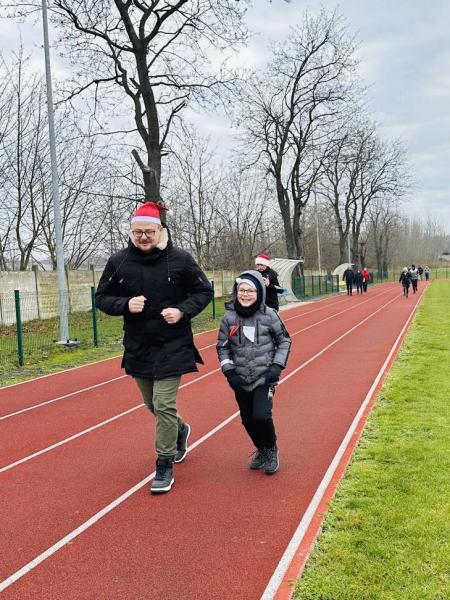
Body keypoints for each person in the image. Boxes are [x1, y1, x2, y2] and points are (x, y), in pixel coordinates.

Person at [95, 201, 213, 494]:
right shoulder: (118, 261)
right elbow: (101, 297)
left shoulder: (181, 260)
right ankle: (180, 430)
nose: (143, 237)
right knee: (151, 404)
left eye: (149, 231)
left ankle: (164, 464)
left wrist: (182, 311)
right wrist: (125, 304)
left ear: (161, 230)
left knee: (163, 404)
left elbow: (204, 291)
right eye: (138, 233)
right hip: (138, 344)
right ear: (131, 233)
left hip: (173, 343)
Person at [217, 270, 291, 475]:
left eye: (250, 290)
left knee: (261, 416)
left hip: (264, 376)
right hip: (240, 377)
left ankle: (271, 448)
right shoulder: (228, 318)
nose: (246, 294)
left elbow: (284, 340)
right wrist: (229, 372)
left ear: (259, 292)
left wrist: (276, 367)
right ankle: (261, 449)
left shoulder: (270, 315)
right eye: (242, 290)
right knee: (247, 419)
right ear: (236, 292)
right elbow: (222, 347)